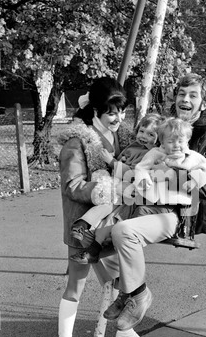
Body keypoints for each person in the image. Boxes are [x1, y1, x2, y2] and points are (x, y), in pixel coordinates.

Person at [102, 72, 206, 333]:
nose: (185, 99)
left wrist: (168, 174)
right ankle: (129, 292)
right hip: (144, 203)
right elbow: (143, 161)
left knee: (122, 232)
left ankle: (137, 294)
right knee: (100, 238)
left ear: (203, 104)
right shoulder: (164, 129)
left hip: (178, 214)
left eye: (193, 95)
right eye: (181, 93)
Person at [55, 77, 156, 337]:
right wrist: (108, 190)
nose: (118, 118)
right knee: (76, 287)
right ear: (96, 110)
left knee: (123, 276)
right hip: (83, 228)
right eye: (112, 112)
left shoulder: (119, 138)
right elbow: (72, 186)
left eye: (122, 111)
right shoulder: (77, 142)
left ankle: (123, 333)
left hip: (111, 222)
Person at [68, 113, 164, 265]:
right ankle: (83, 229)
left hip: (131, 194)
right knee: (106, 209)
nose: (144, 136)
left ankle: (88, 237)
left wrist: (112, 162)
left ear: (159, 139)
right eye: (142, 131)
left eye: (151, 134)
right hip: (118, 187)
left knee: (109, 215)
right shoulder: (133, 146)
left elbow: (134, 173)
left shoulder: (151, 154)